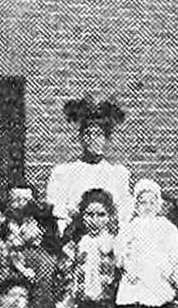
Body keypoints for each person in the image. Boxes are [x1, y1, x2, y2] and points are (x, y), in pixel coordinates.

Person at [115, 178, 178, 308]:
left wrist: (172, 274)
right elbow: (120, 253)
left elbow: (175, 256)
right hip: (136, 279)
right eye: (142, 202)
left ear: (158, 204)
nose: (147, 207)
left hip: (159, 278)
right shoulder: (129, 227)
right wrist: (127, 267)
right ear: (136, 204)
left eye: (151, 203)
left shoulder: (167, 227)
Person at [46, 96, 133, 224]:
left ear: (106, 139)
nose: (93, 140)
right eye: (88, 135)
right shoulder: (64, 173)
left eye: (98, 135)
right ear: (81, 138)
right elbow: (57, 210)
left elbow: (124, 211)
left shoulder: (117, 174)